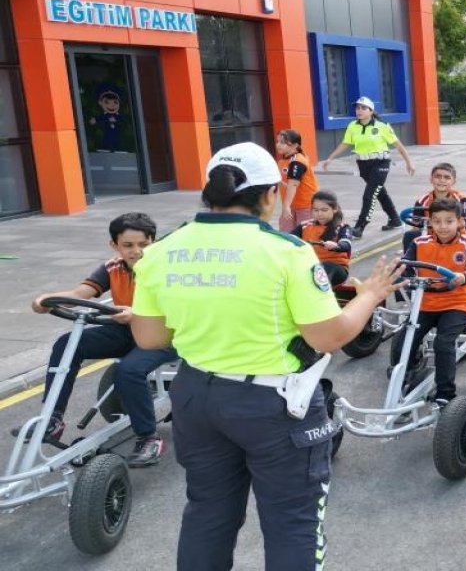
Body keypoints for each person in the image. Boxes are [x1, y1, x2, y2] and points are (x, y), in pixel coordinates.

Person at [129, 142, 403, 570]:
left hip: (195, 396)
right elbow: (329, 336)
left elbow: (149, 337)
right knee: (293, 523)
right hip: (272, 404)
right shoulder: (286, 252)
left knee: (207, 513)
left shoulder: (162, 250)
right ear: (270, 195)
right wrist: (369, 295)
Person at [22, 213, 176, 467]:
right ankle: (53, 419)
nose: (136, 251)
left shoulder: (167, 268)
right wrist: (46, 299)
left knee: (128, 370)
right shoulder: (112, 268)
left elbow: (180, 307)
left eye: (143, 244)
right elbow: (78, 294)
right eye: (128, 245)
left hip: (163, 333)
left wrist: (136, 314)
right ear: (114, 245)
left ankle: (149, 438)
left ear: (153, 242)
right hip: (127, 331)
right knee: (67, 344)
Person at [399, 197, 466, 403]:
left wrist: (463, 277)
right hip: (426, 303)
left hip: (458, 302)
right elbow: (405, 266)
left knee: (443, 342)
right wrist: (403, 274)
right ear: (430, 222)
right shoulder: (419, 243)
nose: (443, 226)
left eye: (449, 221)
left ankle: (445, 393)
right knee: (405, 339)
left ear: (459, 222)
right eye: (437, 221)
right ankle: (404, 377)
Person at [320, 96, 417, 239]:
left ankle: (359, 227)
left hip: (380, 163)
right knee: (380, 193)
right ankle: (395, 220)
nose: (359, 111)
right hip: (364, 165)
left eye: (363, 108)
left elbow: (398, 145)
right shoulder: (353, 126)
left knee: (369, 195)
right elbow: (345, 143)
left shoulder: (382, 126)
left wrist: (409, 162)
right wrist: (331, 158)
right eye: (357, 108)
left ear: (371, 111)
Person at [403, 162, 466, 254]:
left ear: (454, 181)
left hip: (455, 237)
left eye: (447, 177)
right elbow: (416, 227)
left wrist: (440, 226)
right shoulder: (422, 201)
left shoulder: (460, 199)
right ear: (431, 179)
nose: (442, 180)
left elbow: (462, 223)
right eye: (438, 176)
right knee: (410, 235)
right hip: (430, 238)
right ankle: (408, 261)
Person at [293, 190, 354, 286]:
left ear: (335, 209)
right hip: (310, 266)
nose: (319, 214)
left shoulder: (343, 227)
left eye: (324, 210)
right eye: (316, 210)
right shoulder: (304, 226)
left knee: (324, 268)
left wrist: (336, 246)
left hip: (336, 269)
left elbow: (346, 244)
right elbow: (289, 238)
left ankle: (320, 291)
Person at [275, 129, 319, 233]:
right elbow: (289, 184)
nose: (278, 145)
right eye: (277, 141)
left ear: (295, 145)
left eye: (283, 143)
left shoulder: (297, 161)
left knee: (306, 234)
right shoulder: (282, 161)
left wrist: (286, 206)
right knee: (286, 233)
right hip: (291, 205)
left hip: (305, 205)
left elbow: (293, 185)